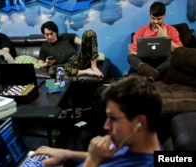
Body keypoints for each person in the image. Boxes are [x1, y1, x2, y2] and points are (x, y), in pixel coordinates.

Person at [32, 75, 162, 167]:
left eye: (113, 119)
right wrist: (67, 154)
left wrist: (92, 161)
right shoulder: (134, 143)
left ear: (140, 123)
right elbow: (111, 157)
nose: (106, 126)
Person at [128, 1, 183, 81]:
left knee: (175, 58)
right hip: (146, 62)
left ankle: (151, 74)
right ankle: (154, 74)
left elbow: (180, 52)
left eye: (159, 19)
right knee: (130, 57)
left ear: (164, 16)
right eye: (153, 18)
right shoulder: (141, 31)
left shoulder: (172, 30)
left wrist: (165, 37)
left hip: (162, 62)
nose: (156, 22)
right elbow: (132, 51)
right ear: (149, 15)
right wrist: (144, 53)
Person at [38, 21, 103, 81]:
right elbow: (40, 64)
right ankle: (86, 71)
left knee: (89, 33)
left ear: (56, 32)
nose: (49, 37)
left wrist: (90, 51)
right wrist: (47, 63)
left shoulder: (67, 37)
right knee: (52, 70)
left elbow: (85, 44)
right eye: (47, 35)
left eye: (51, 34)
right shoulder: (44, 47)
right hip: (64, 67)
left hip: (77, 59)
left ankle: (94, 67)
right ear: (44, 35)